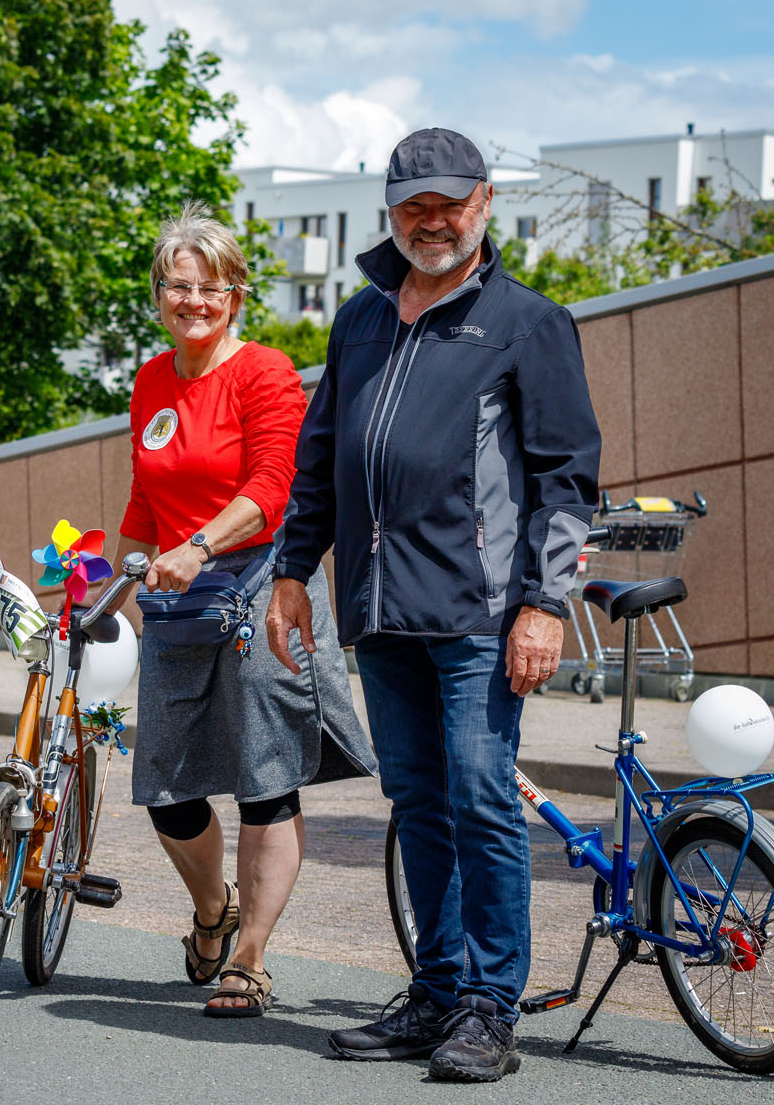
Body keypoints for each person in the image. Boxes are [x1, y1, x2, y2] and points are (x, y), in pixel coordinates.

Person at [268, 128, 600, 1081]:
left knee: (481, 798)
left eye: (451, 204)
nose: (434, 222)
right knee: (417, 800)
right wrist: (292, 570)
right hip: (379, 609)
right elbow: (320, 459)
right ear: (391, 212)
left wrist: (545, 603)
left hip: (479, 613)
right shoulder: (360, 320)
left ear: (484, 203)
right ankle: (437, 991)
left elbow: (566, 479)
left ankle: (491, 1009)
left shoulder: (528, 322)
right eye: (415, 206)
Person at [114, 202, 376, 1019]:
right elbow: (144, 497)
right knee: (166, 783)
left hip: (264, 585)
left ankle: (251, 956)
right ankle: (213, 911)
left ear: (235, 295)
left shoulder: (263, 371)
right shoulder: (151, 380)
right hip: (178, 597)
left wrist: (198, 545)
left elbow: (275, 486)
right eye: (178, 286)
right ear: (158, 294)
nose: (194, 301)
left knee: (266, 778)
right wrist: (101, 586)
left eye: (211, 288)